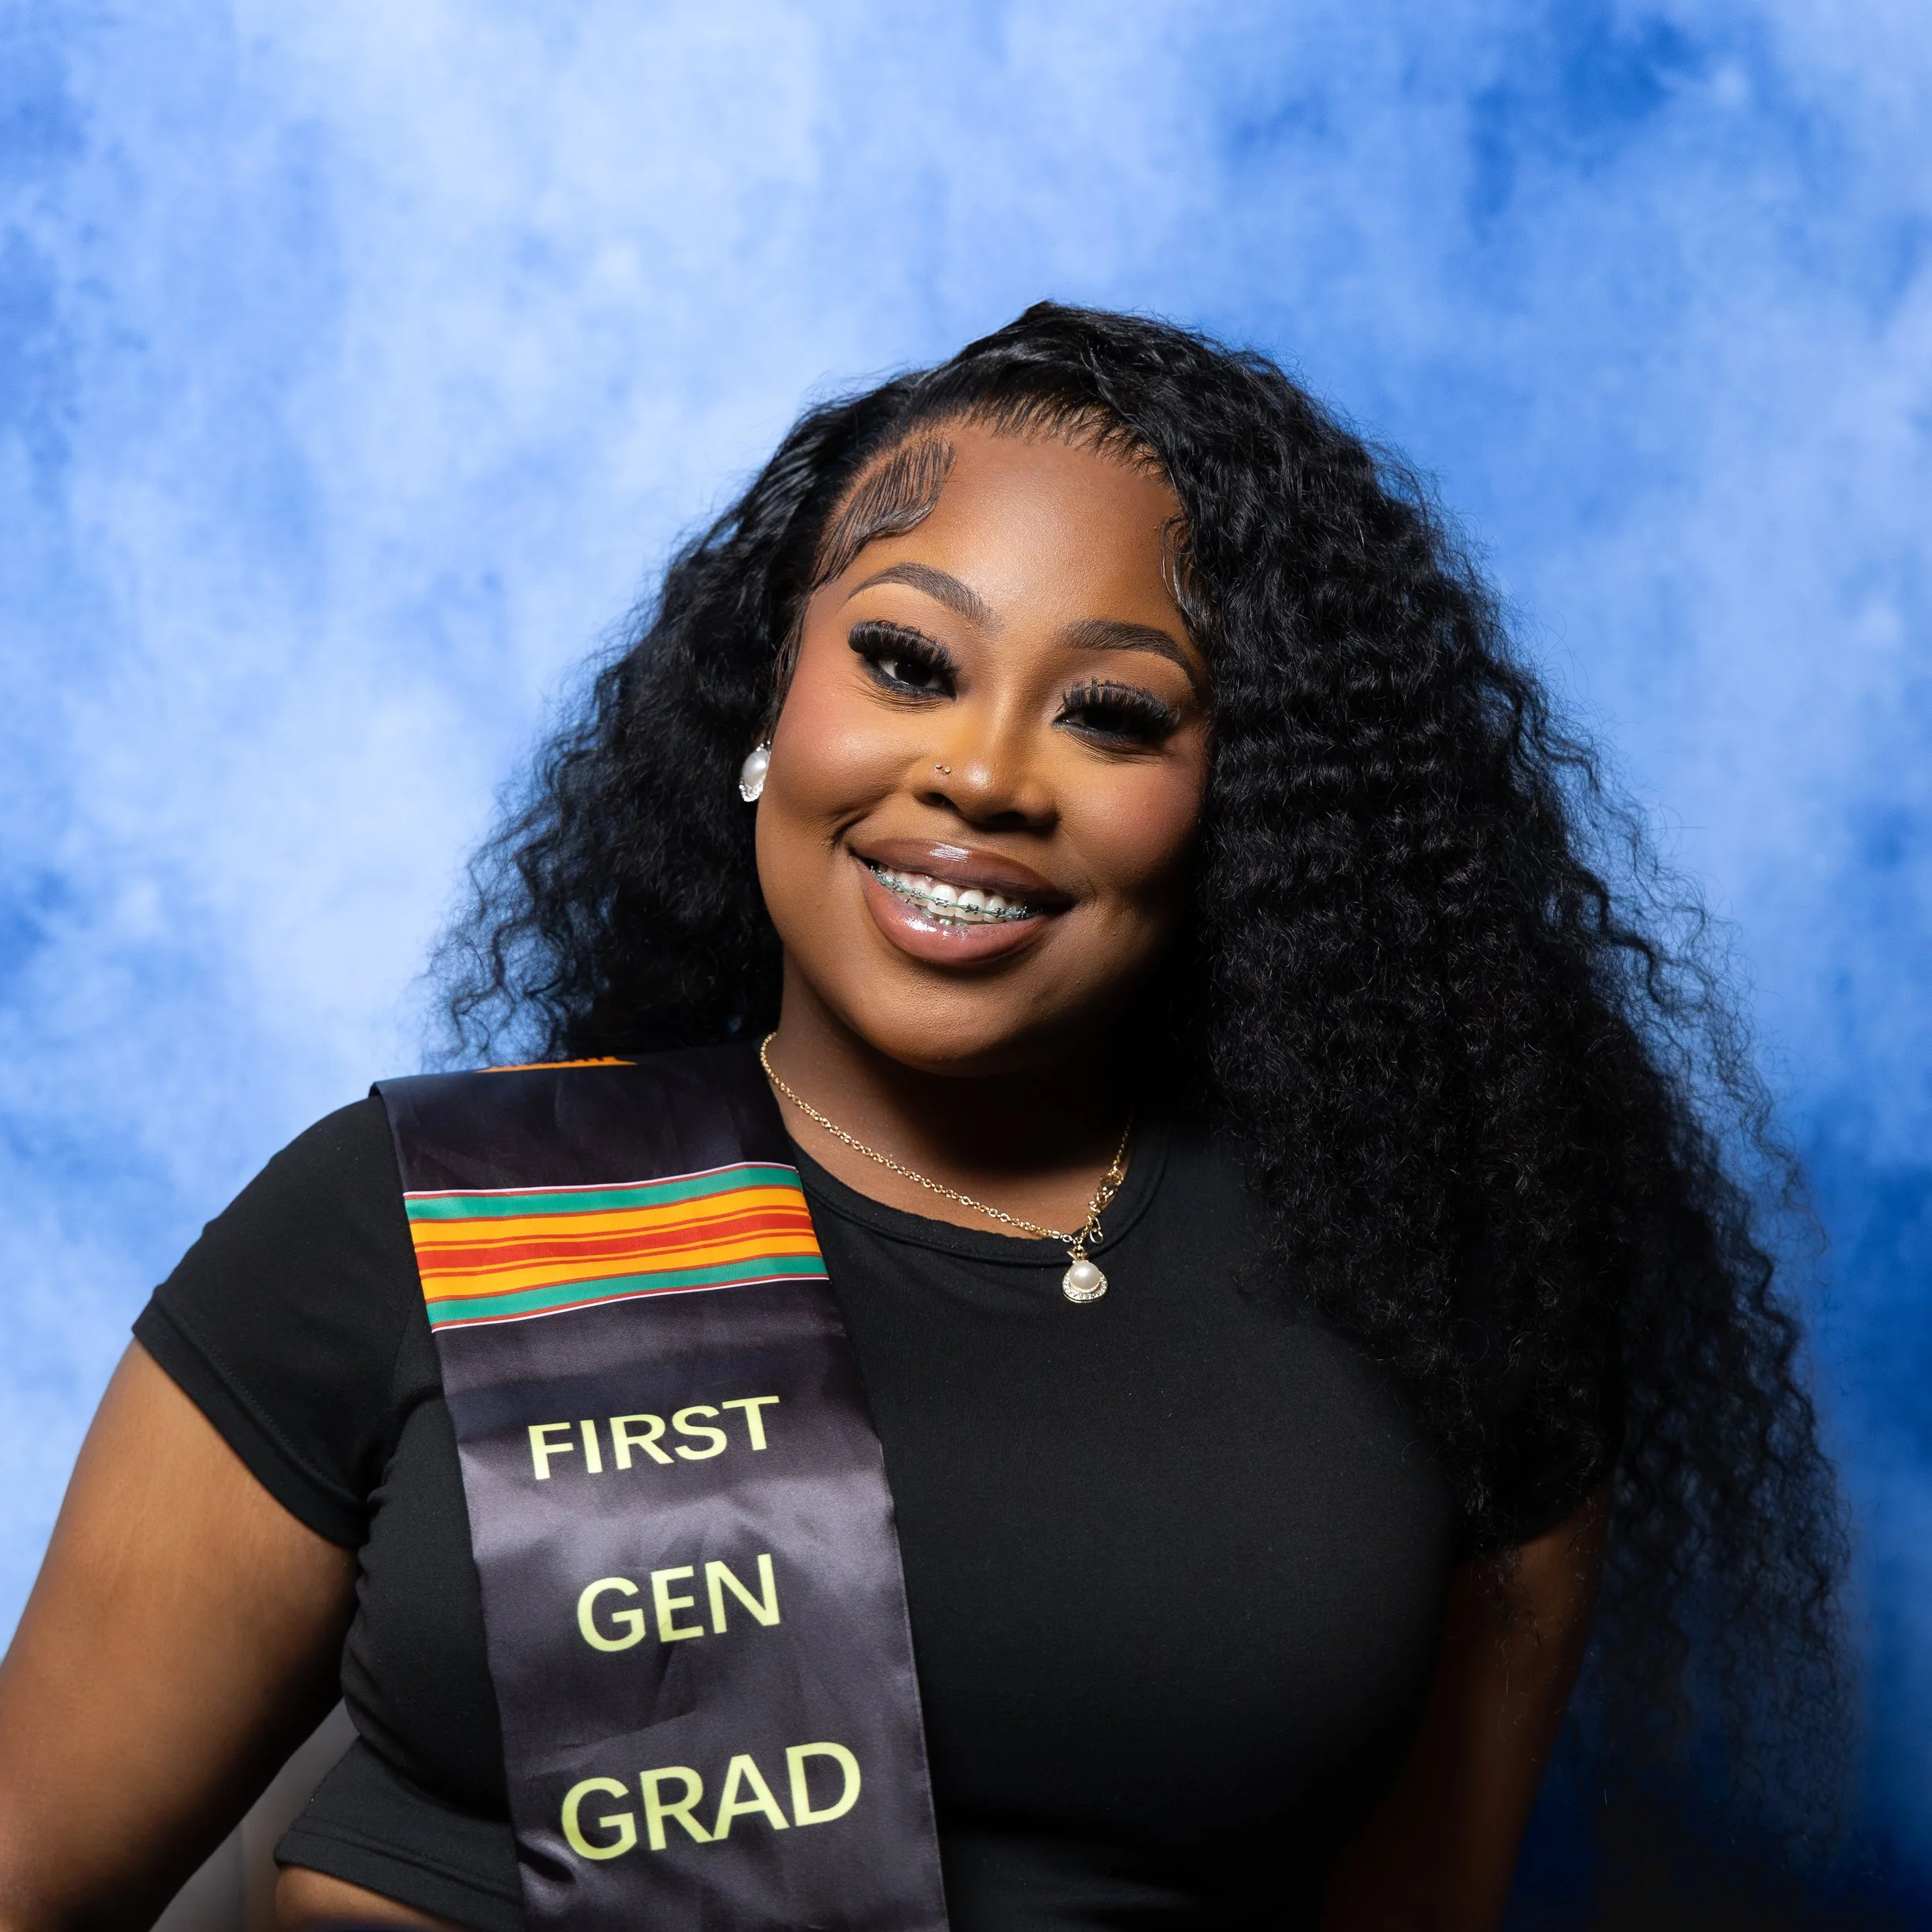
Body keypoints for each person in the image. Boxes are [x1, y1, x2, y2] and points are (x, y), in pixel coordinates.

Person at [0, 304, 1845, 1932]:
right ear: (764, 703)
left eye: (1113, 713)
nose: (976, 768)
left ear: (1253, 814)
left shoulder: (1448, 1297)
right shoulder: (427, 1212)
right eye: (903, 659)